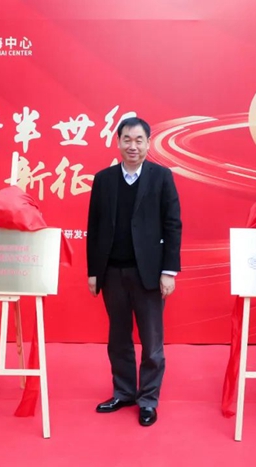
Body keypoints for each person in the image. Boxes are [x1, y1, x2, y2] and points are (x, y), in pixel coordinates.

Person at [86, 117, 182, 427]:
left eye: (139, 140)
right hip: (113, 272)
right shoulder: (104, 180)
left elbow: (173, 224)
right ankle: (124, 392)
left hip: (149, 274)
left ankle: (148, 400)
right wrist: (93, 271)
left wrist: (169, 271)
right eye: (127, 139)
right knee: (118, 338)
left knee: (152, 342)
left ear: (148, 143)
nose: (133, 146)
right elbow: (94, 227)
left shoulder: (161, 177)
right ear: (118, 142)